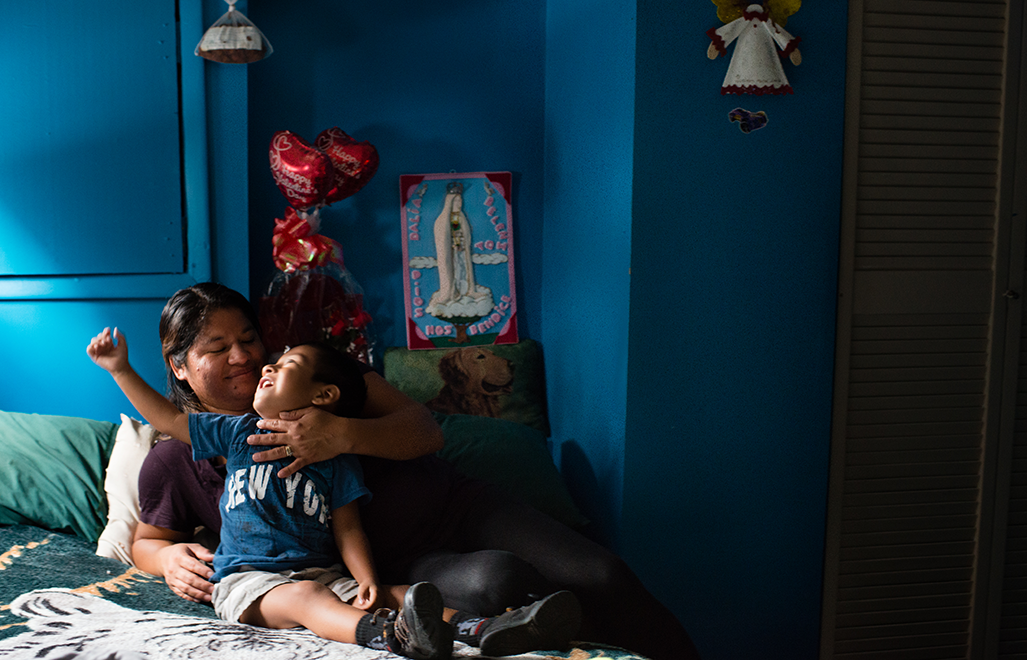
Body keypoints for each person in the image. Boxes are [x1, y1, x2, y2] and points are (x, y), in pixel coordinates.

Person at [128, 282, 699, 660]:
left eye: (249, 339)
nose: (243, 357)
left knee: (601, 573)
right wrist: (166, 557)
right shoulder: (179, 455)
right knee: (497, 584)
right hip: (389, 563)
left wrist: (343, 433)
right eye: (216, 348)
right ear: (179, 366)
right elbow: (147, 541)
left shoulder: (316, 373)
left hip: (457, 507)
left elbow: (424, 430)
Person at [88, 331, 581, 657]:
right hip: (249, 580)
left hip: (322, 569)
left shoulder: (335, 455)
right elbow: (170, 421)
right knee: (307, 599)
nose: (259, 365)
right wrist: (120, 370)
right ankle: (388, 636)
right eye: (218, 348)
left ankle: (484, 629)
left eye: (281, 363)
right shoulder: (236, 433)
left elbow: (348, 525)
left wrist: (366, 579)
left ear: (323, 396)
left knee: (396, 594)